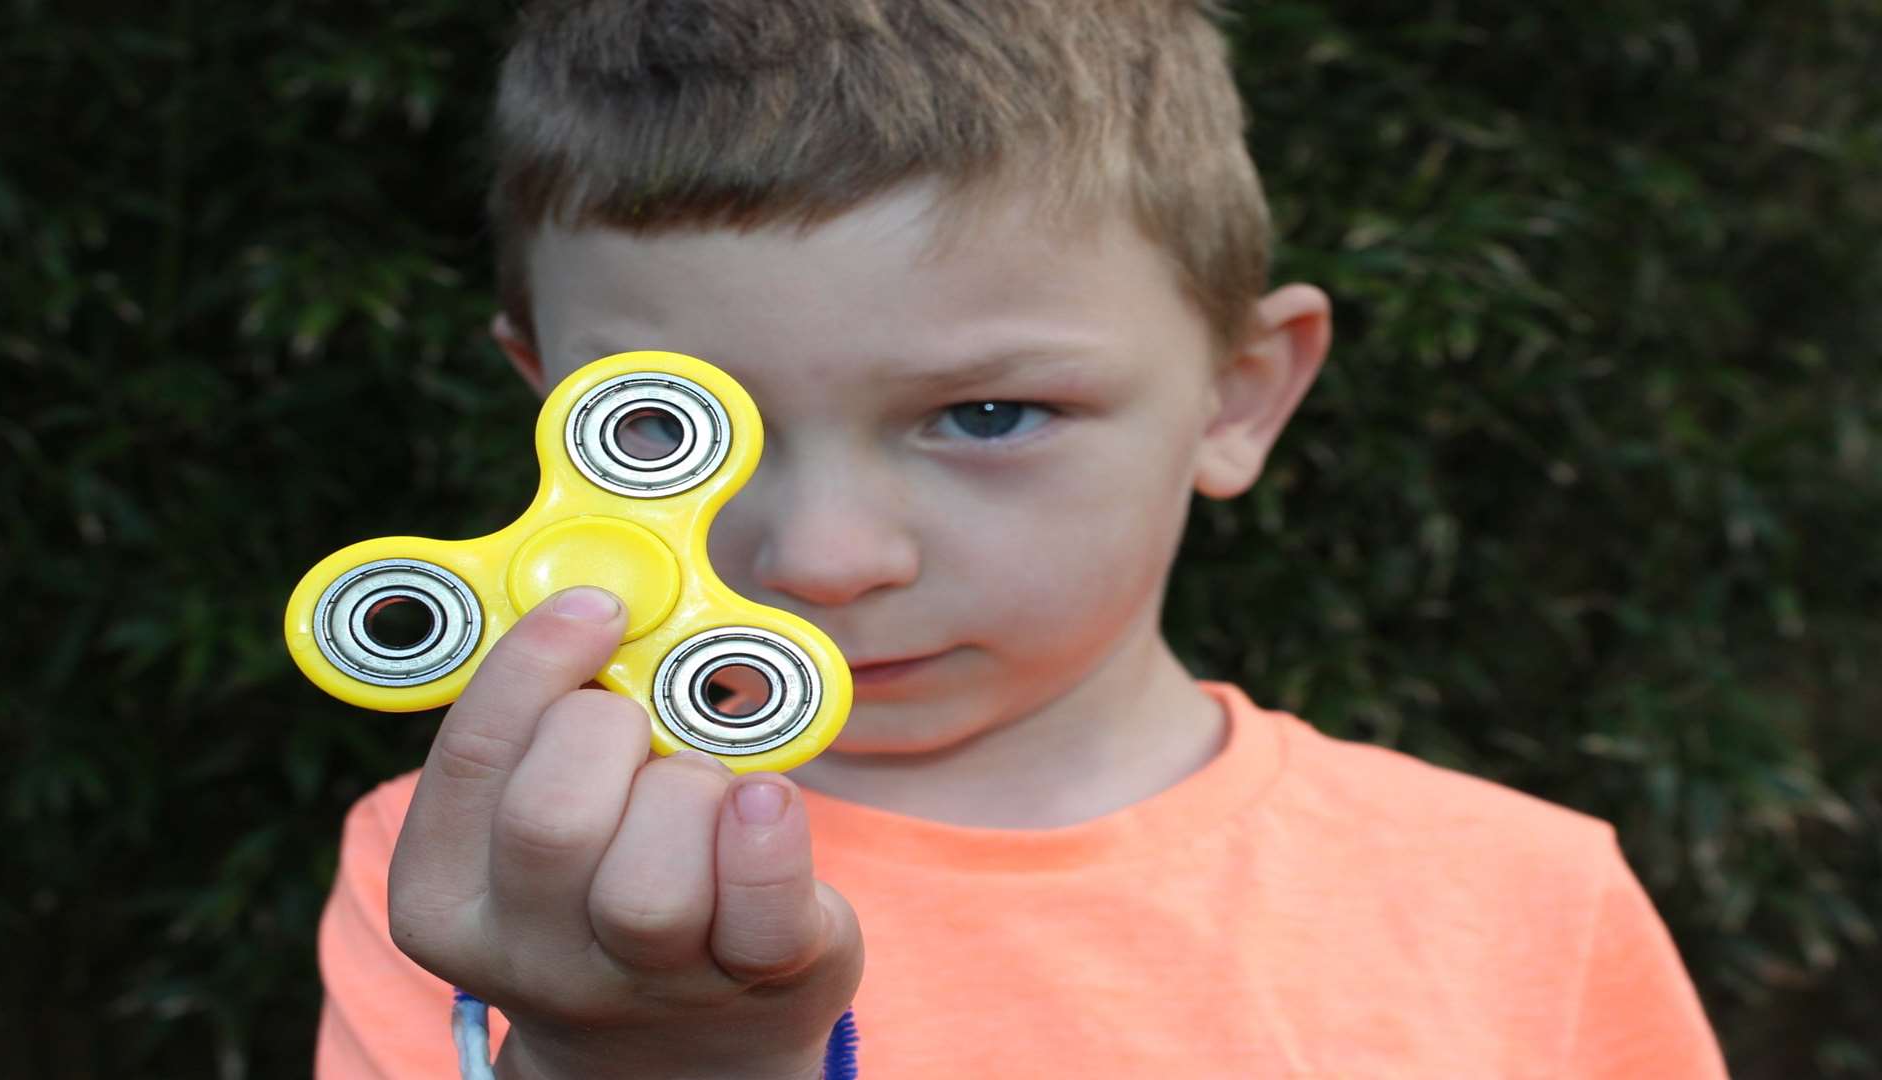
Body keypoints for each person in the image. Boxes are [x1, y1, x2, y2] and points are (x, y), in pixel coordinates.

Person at [315, 1, 1730, 1076]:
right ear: (553, 414)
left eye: (987, 414)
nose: (823, 558)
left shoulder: (1528, 907)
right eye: (670, 430)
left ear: (1241, 395)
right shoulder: (482, 882)